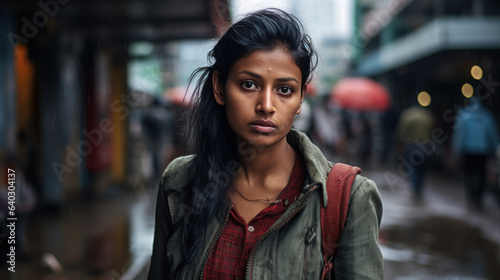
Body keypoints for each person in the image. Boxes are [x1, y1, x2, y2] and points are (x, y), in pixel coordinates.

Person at [147, 9, 383, 279]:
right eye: (249, 84)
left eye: (285, 90)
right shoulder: (179, 183)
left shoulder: (348, 198)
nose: (267, 106)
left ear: (301, 99)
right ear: (219, 87)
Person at [453, 96, 500, 207]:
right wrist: (496, 147)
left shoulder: (463, 115)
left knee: (468, 173)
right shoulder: (486, 116)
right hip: (482, 151)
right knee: (481, 173)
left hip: (468, 150)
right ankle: (478, 196)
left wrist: (457, 149)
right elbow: (493, 133)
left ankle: (471, 195)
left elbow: (459, 134)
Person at [396, 104, 435, 197]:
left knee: (412, 167)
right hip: (425, 145)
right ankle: (419, 187)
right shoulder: (427, 115)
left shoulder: (407, 114)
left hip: (412, 144)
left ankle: (414, 186)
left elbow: (402, 131)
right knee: (423, 168)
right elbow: (432, 130)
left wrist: (402, 142)